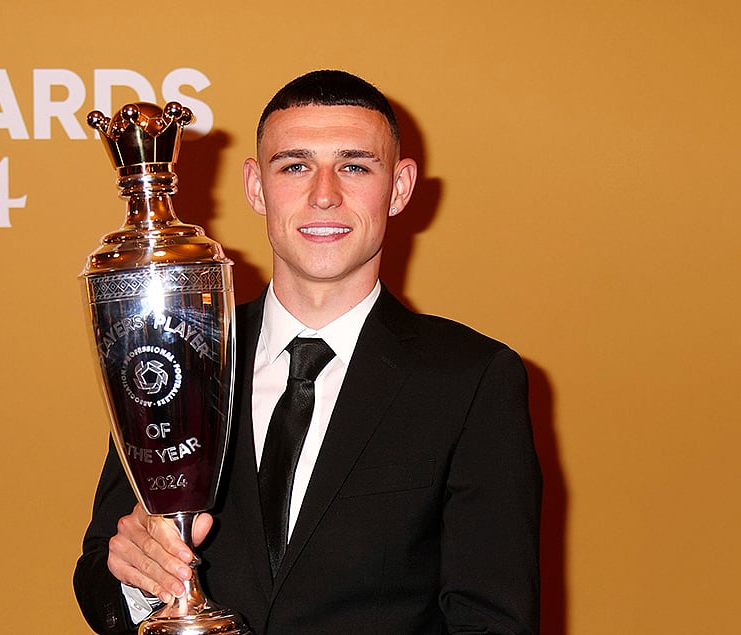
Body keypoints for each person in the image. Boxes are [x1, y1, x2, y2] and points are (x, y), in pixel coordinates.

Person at [74, 70, 542, 634]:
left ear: (399, 186)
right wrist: (134, 576)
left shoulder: (471, 380)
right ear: (254, 186)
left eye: (355, 165)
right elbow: (99, 570)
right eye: (294, 166)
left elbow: (490, 621)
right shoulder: (174, 353)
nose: (324, 194)